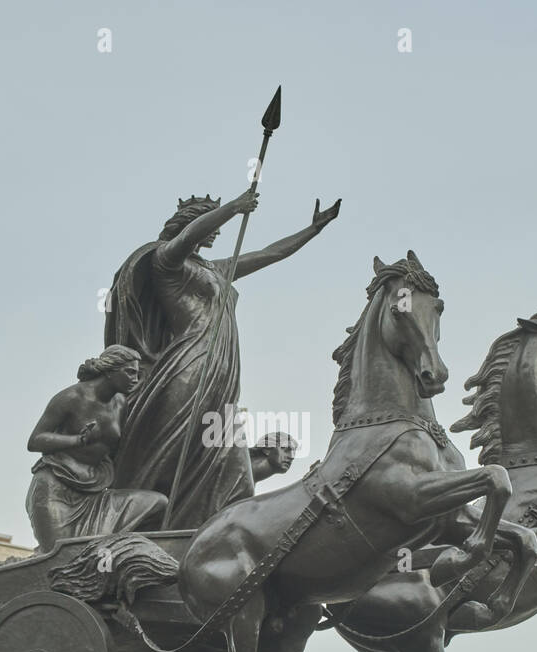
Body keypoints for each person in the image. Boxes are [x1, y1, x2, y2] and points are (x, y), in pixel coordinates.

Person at [104, 191, 340, 529]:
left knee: (224, 447)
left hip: (223, 369)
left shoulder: (216, 269)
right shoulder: (166, 261)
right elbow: (187, 238)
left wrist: (312, 229)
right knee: (175, 442)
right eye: (208, 222)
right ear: (191, 222)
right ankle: (147, 519)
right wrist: (233, 207)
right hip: (190, 363)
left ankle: (222, 525)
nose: (216, 232)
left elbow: (270, 253)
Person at [24, 346, 166, 551]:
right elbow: (35, 441)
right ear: (110, 371)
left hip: (95, 493)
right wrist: (77, 440)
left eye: (137, 373)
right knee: (60, 559)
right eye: (130, 372)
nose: (135, 378)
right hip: (56, 489)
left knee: (157, 502)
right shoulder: (71, 397)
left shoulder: (120, 403)